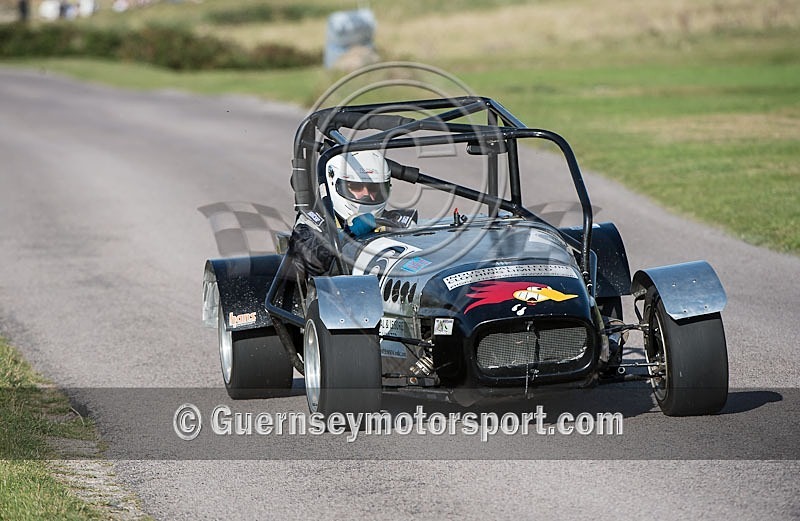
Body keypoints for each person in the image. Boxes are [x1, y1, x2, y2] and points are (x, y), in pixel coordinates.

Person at [289, 150, 392, 278]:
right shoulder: (312, 223)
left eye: (374, 189)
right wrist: (346, 236)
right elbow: (309, 260)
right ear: (334, 184)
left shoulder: (394, 220)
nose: (366, 195)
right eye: (356, 187)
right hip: (332, 294)